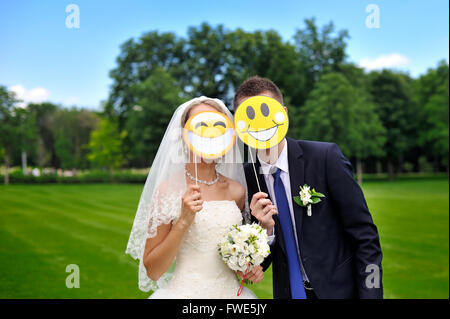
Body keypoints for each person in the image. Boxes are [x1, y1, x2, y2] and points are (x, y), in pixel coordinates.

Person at [234, 76, 383, 299]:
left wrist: (371, 294)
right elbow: (260, 264)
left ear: (283, 113)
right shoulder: (247, 177)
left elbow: (366, 237)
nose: (260, 124)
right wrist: (267, 231)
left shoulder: (325, 158)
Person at [126, 96, 263, 299]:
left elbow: (233, 257)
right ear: (184, 135)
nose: (209, 132)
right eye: (200, 124)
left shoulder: (237, 191)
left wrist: (249, 267)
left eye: (218, 125)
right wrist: (183, 221)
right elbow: (153, 271)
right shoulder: (167, 191)